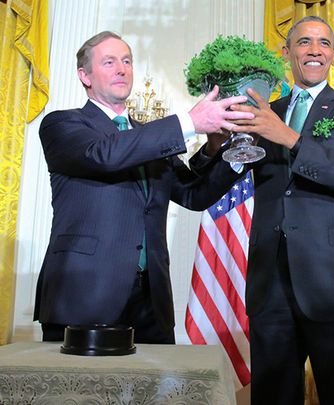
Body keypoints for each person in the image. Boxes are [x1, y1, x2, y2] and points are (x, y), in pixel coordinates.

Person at [33, 31, 253, 344]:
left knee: (154, 394)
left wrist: (233, 150)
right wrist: (189, 121)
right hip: (84, 296)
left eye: (127, 61)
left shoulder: (151, 137)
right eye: (109, 62)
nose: (122, 69)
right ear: (85, 76)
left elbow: (194, 194)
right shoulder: (62, 124)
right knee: (82, 394)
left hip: (152, 302)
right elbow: (105, 155)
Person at [232, 15, 334, 405]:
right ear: (287, 53)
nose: (314, 50)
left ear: (333, 55)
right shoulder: (263, 112)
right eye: (303, 42)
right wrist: (216, 141)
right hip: (270, 285)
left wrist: (290, 138)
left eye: (323, 44)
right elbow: (211, 185)